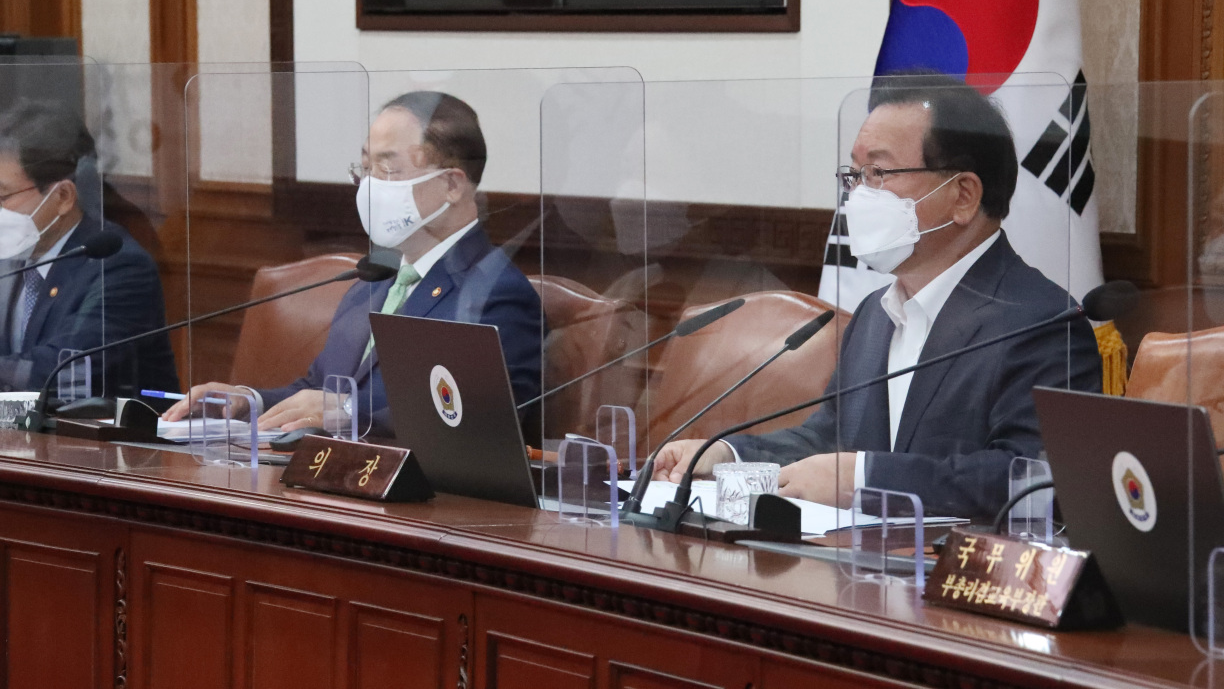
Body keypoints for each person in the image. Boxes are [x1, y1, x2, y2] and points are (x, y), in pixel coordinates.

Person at [651, 75, 1102, 520]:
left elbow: (1033, 478)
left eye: (880, 173)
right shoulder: (876, 313)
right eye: (856, 175)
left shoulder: (1042, 322)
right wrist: (727, 455)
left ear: (963, 196)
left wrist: (868, 479)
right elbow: (827, 440)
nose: (859, 196)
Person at [164, 91, 543, 438]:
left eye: (388, 171)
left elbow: (474, 423)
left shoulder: (496, 292)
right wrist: (248, 402)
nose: (370, 187)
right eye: (365, 169)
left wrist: (348, 411)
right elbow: (319, 392)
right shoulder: (376, 279)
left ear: (453, 186)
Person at [0, 100, 179, 395]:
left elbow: (58, 370)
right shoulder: (13, 260)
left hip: (114, 437)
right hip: (21, 435)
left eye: (1, 196)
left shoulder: (118, 266)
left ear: (62, 197)